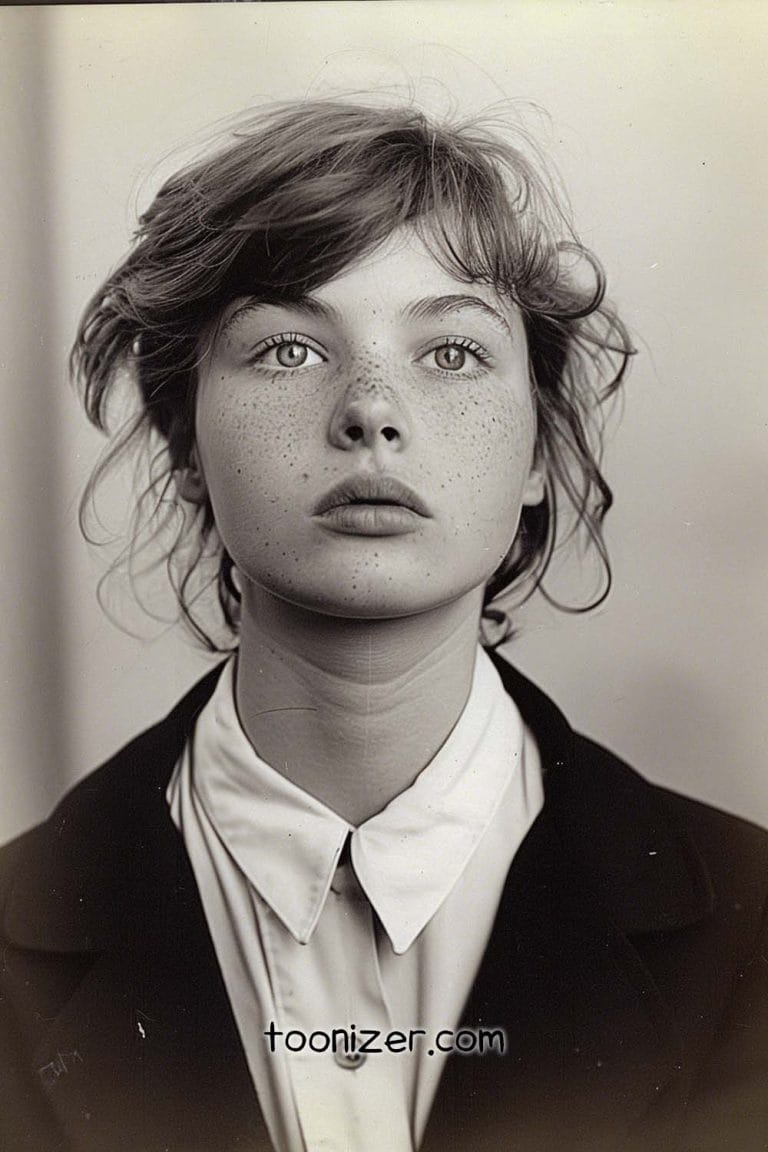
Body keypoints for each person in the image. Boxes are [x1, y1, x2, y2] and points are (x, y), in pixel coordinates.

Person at [1, 101, 766, 1152]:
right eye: (286, 351)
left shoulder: (754, 931)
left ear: (540, 451)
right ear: (183, 439)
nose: (371, 408)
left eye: (450, 353)